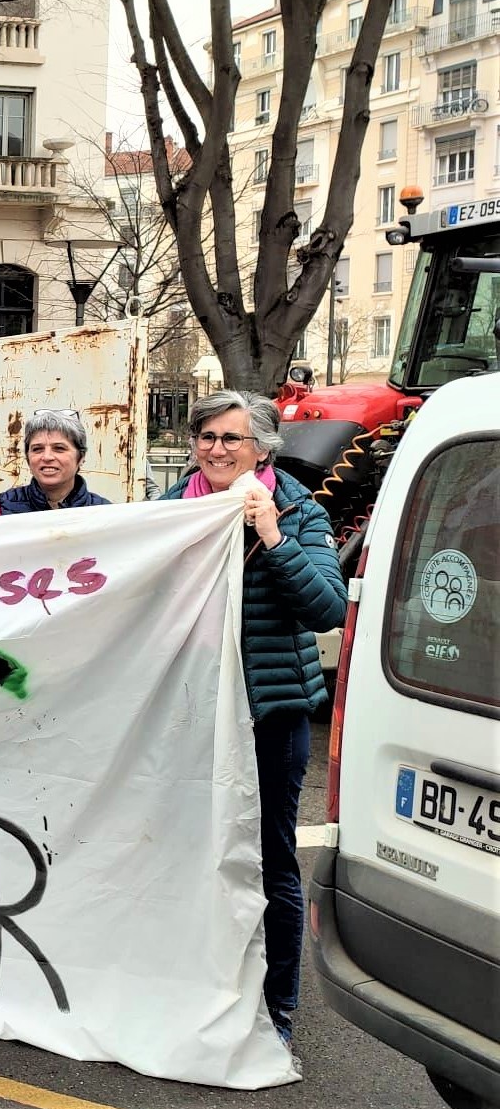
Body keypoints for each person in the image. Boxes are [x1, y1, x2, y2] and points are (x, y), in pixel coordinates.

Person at [158, 389, 344, 1047]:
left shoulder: (294, 510)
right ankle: (200, 990)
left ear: (260, 448)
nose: (214, 448)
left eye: (229, 438)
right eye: (205, 436)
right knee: (187, 855)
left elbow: (327, 607)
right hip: (188, 714)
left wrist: (270, 536)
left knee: (266, 861)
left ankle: (276, 1010)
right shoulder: (165, 512)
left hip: (269, 714)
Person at [0, 408, 112, 516]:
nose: (47, 457)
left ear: (81, 457)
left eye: (59, 448)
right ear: (28, 458)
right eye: (37, 449)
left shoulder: (108, 515)